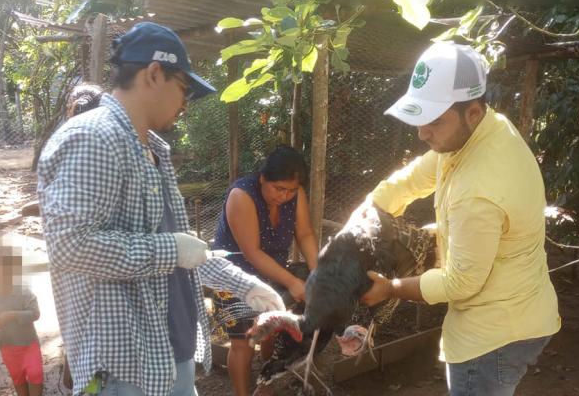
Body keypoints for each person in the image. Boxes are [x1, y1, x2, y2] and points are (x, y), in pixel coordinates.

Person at [37, 22, 285, 396]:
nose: (186, 103)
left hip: (169, 351)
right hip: (124, 367)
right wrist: (171, 249)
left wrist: (245, 285)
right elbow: (70, 245)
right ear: (154, 73)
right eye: (184, 87)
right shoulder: (92, 137)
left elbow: (185, 251)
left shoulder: (153, 149)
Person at [357, 42, 561, 396]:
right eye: (420, 119)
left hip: (494, 336)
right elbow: (416, 177)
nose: (422, 133)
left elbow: (460, 283)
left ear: (473, 112)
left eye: (434, 121)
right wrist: (366, 214)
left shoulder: (478, 188)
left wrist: (390, 289)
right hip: (521, 308)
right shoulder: (486, 132)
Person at [211, 145, 319, 396]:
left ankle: (264, 385)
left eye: (291, 190)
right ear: (263, 178)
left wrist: (317, 272)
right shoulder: (242, 194)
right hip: (233, 275)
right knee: (244, 343)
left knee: (270, 332)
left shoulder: (296, 194)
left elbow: (304, 233)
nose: (284, 196)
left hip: (272, 272)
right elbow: (252, 252)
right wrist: (293, 282)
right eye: (279, 188)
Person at [59, 82, 105, 392]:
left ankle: (78, 375)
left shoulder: (66, 145)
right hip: (100, 260)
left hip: (79, 265)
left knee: (80, 332)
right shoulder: (108, 142)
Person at [0, 246, 43, 396]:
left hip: (28, 344)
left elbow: (35, 313)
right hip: (6, 345)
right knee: (17, 376)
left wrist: (13, 315)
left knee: (35, 373)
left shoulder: (24, 291)